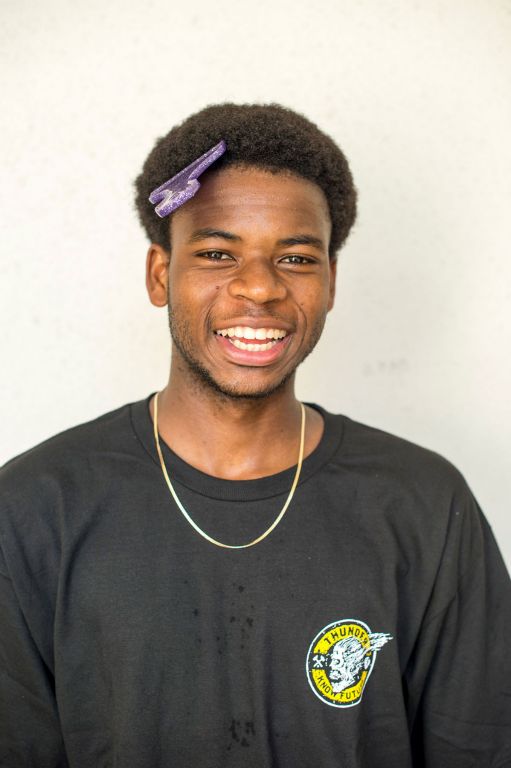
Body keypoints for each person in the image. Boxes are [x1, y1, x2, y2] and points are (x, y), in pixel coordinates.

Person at [0, 103, 510, 768]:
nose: (259, 288)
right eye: (217, 253)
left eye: (295, 257)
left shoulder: (424, 505)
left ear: (330, 282)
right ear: (161, 274)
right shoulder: (33, 508)